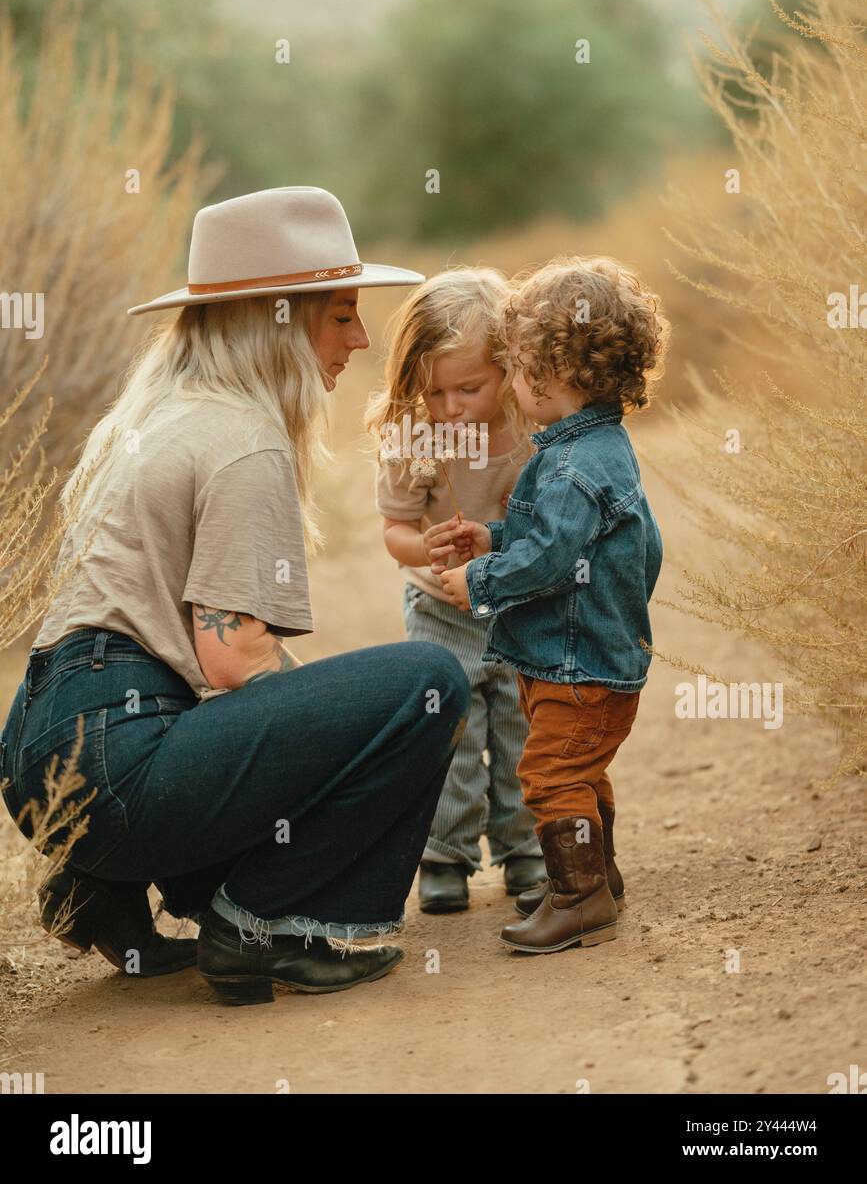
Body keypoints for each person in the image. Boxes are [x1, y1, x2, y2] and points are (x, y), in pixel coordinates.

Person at [0, 186, 470, 1006]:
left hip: (40, 758)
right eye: (340, 316)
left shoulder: (155, 417)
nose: (361, 339)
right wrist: (355, 751)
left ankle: (106, 880)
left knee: (298, 739)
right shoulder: (244, 440)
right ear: (278, 319)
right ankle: (263, 925)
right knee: (426, 685)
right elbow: (232, 660)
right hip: (122, 763)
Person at [435, 255, 669, 953]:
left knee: (548, 775)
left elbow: (549, 558)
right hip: (587, 659)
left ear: (556, 375)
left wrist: (478, 580)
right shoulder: (596, 447)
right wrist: (491, 536)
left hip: (576, 665)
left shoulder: (571, 466)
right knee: (580, 770)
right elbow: (571, 540)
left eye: (515, 366)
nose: (509, 381)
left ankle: (577, 897)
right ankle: (598, 875)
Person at [366, 269, 545, 913]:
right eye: (433, 391)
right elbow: (395, 530)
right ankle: (444, 855)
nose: (451, 407)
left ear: (510, 366)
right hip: (441, 605)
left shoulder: (534, 427)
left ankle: (527, 847)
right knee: (452, 727)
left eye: (469, 388)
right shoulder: (417, 434)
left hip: (518, 602)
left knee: (522, 720)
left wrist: (501, 547)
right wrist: (427, 546)